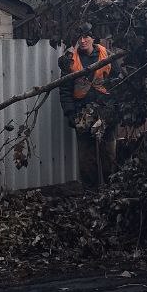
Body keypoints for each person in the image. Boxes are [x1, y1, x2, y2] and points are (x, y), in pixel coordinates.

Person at [57, 23, 118, 189]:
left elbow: (120, 84)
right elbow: (65, 89)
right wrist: (70, 113)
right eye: (80, 38)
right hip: (82, 113)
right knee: (86, 156)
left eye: (86, 37)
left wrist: (115, 109)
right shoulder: (70, 60)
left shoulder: (108, 56)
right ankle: (90, 192)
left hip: (106, 112)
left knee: (109, 154)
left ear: (93, 38)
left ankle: (111, 190)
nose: (83, 41)